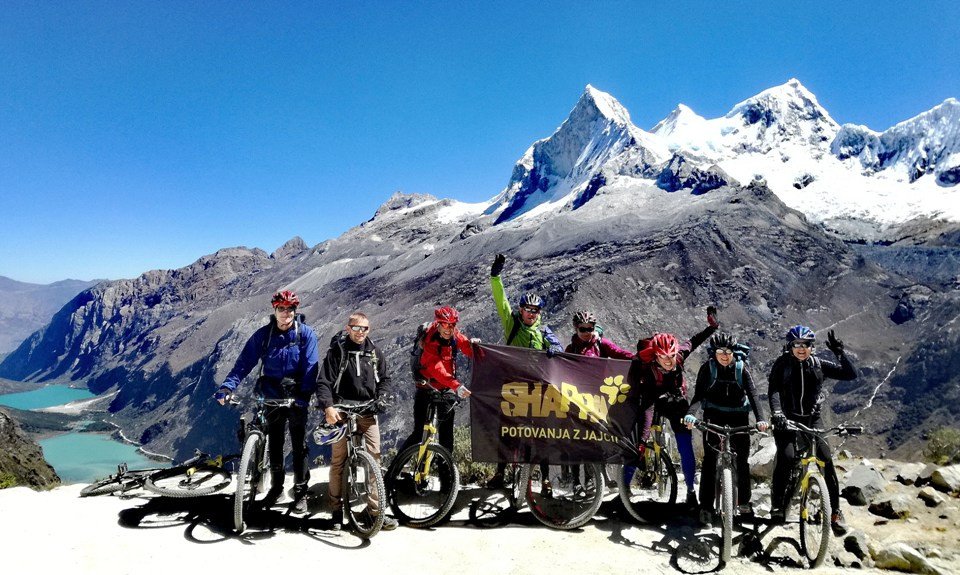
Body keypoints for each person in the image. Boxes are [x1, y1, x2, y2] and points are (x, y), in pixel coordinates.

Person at [215, 290, 319, 513]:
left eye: (290, 309)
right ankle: (276, 488)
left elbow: (311, 368)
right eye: (281, 309)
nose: (286, 313)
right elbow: (244, 364)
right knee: (276, 444)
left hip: (296, 396)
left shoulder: (306, 334)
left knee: (299, 445)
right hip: (271, 394)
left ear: (295, 311)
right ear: (274, 310)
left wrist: (304, 396)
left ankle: (301, 491)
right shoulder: (264, 335)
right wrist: (227, 386)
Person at [767, 325, 857, 535]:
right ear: (790, 346)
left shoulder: (818, 365)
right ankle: (778, 504)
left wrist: (839, 353)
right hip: (786, 419)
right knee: (787, 457)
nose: (801, 348)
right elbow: (773, 390)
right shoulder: (781, 364)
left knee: (826, 459)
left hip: (811, 419)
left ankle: (835, 511)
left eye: (805, 344)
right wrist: (777, 413)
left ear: (811, 347)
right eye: (797, 344)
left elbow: (850, 374)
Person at [627, 306, 719, 507]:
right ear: (655, 355)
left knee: (685, 442)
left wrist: (712, 327)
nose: (670, 361)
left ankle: (691, 491)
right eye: (664, 356)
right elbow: (644, 403)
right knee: (639, 440)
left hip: (676, 400)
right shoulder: (644, 363)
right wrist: (642, 438)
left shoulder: (679, 356)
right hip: (651, 398)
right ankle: (624, 491)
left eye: (672, 356)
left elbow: (694, 341)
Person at [486, 253, 564, 491]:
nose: (531, 313)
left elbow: (559, 347)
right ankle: (499, 473)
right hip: (512, 388)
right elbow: (502, 301)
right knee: (506, 431)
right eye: (527, 309)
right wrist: (496, 275)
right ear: (521, 310)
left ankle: (546, 478)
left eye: (535, 310)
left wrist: (554, 349)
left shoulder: (544, 331)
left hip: (537, 391)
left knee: (541, 435)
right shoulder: (512, 323)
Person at [315, 311, 398, 531]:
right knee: (339, 461)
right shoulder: (338, 352)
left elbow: (386, 380)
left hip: (367, 411)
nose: (361, 332)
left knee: (374, 458)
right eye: (356, 328)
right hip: (341, 411)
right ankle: (335, 512)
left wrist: (382, 398)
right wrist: (328, 407)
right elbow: (323, 382)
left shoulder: (374, 352)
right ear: (348, 328)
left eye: (365, 328)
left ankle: (374, 512)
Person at [683, 332, 768, 526]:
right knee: (710, 461)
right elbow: (698, 395)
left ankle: (744, 503)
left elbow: (753, 395)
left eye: (728, 351)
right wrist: (691, 414)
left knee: (742, 461)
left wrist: (761, 419)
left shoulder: (741, 368)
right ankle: (706, 507)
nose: (724, 355)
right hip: (713, 415)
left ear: (733, 352)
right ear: (714, 352)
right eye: (720, 351)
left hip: (738, 416)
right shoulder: (707, 368)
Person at [396, 306, 475, 456]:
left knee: (447, 440)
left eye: (452, 325)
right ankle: (394, 473)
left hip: (446, 388)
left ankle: (448, 478)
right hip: (426, 387)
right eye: (445, 324)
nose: (448, 328)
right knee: (419, 433)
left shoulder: (454, 333)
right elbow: (436, 368)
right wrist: (457, 386)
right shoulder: (429, 340)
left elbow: (466, 347)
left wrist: (475, 347)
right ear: (438, 324)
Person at [565, 309, 635, 359]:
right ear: (576, 329)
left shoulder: (601, 343)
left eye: (590, 329)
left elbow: (618, 353)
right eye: (582, 329)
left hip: (601, 379)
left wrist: (635, 358)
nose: (587, 332)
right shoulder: (571, 349)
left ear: (594, 329)